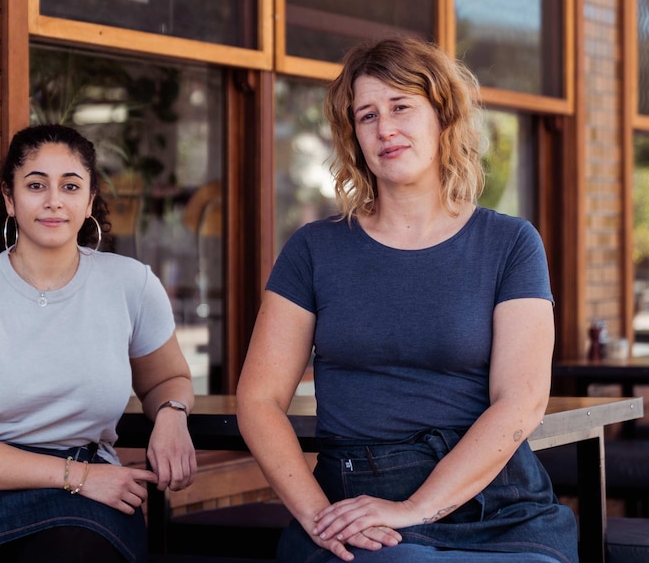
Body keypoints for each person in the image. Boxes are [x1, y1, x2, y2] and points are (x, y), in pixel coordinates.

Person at [236, 38, 578, 563]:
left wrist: (417, 507)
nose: (385, 129)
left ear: (443, 116)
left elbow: (523, 399)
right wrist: (315, 516)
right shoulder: (315, 249)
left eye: (401, 107)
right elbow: (258, 400)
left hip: (498, 504)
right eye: (366, 115)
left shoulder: (510, 243)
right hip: (358, 501)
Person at [0, 124, 197, 563]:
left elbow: (168, 378)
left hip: (84, 504)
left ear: (89, 201)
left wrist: (172, 414)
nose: (53, 200)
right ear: (10, 199)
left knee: (74, 552)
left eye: (70, 186)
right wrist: (78, 476)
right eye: (35, 185)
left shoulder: (131, 284)